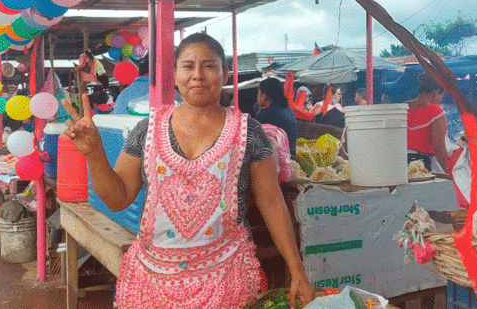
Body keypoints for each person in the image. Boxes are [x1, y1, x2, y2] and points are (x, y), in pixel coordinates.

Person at [61, 33, 314, 309]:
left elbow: (271, 201)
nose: (198, 75)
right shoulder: (147, 131)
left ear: (225, 73)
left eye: (208, 66)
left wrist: (297, 270)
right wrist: (94, 154)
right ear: (175, 74)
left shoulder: (250, 132)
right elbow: (118, 199)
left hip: (227, 281)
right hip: (152, 282)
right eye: (188, 66)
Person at [406, 73, 451, 173]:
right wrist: (451, 173)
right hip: (419, 165)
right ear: (436, 92)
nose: (440, 101)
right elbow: (439, 148)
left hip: (396, 162)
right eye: (441, 97)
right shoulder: (435, 111)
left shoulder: (403, 107)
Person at [255, 77, 298, 156]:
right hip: (291, 154)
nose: (257, 96)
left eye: (258, 93)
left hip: (278, 159)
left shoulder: (266, 114)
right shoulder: (287, 109)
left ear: (264, 95)